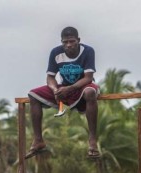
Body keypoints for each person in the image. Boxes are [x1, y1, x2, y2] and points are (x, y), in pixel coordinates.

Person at [26, 26, 101, 160]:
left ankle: (92, 140)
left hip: (82, 85)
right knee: (33, 95)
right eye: (65, 42)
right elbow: (50, 77)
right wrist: (55, 90)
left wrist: (71, 88)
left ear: (78, 40)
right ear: (62, 42)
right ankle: (38, 140)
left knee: (90, 92)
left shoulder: (88, 51)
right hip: (64, 88)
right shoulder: (56, 53)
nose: (69, 45)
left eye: (72, 41)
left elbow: (88, 77)